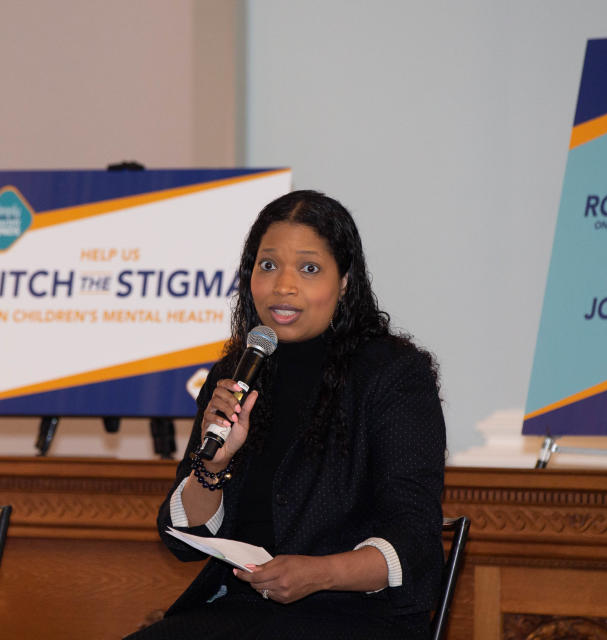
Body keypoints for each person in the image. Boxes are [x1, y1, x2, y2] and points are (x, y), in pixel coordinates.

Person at [126, 190, 446, 640]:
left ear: (346, 282)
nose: (283, 286)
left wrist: (321, 573)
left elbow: (414, 540)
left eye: (309, 268)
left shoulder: (393, 375)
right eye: (268, 265)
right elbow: (181, 539)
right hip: (241, 611)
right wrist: (212, 467)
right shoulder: (237, 371)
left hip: (354, 618)